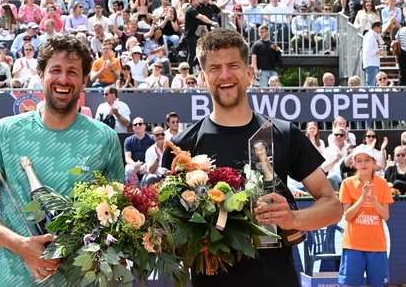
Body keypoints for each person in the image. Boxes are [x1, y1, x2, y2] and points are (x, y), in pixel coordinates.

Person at [162, 28, 341, 286]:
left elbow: (333, 206)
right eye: (215, 68)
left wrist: (293, 218)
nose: (225, 74)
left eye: (233, 65)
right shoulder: (182, 148)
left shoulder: (283, 133)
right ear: (203, 77)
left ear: (248, 73)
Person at [0, 34, 125, 286]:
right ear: (40, 75)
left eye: (72, 72)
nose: (63, 79)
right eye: (55, 70)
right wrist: (21, 246)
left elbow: (118, 213)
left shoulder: (105, 139)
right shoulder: (4, 132)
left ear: (85, 80)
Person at [338, 145, 392, 286]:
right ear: (354, 164)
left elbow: (385, 215)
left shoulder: (382, 183)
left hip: (377, 245)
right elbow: (348, 216)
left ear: (374, 162)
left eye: (367, 160)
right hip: (353, 245)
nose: (363, 164)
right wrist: (362, 199)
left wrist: (372, 200)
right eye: (359, 160)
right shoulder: (347, 183)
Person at [176, 0, 219, 75]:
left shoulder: (194, 7)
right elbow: (201, 17)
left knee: (196, 52)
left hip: (194, 34)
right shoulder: (191, 9)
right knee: (192, 54)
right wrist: (212, 22)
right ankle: (190, 73)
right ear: (192, 0)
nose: (199, 1)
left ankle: (193, 67)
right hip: (189, 35)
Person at [363, 21, 387, 87]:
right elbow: (368, 50)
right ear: (376, 27)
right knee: (371, 86)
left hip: (373, 63)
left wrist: (378, 50)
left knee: (375, 85)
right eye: (380, 28)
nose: (381, 30)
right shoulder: (370, 36)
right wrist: (380, 53)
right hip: (371, 64)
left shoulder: (371, 35)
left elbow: (369, 49)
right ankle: (370, 97)